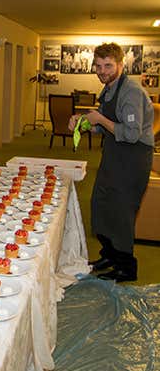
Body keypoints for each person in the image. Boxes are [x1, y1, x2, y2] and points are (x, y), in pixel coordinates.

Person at [68, 42, 154, 282]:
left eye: (108, 65)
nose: (102, 71)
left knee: (121, 211)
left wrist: (100, 120)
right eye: (98, 66)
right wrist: (82, 122)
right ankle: (110, 255)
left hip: (133, 157)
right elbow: (102, 126)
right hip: (114, 153)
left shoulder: (131, 92)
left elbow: (131, 133)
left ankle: (126, 267)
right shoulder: (109, 89)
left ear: (120, 64)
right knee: (102, 204)